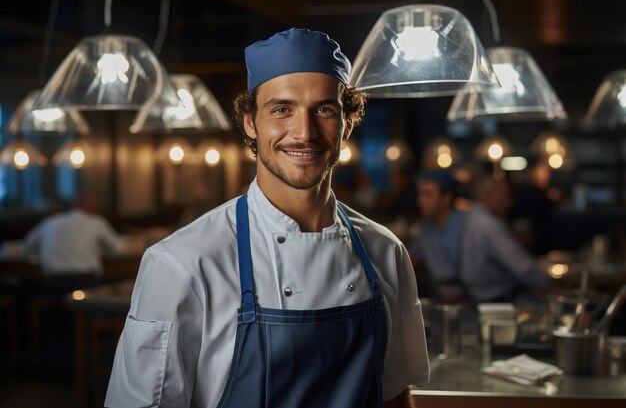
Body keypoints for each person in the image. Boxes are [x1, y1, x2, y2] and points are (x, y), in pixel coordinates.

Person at [106, 28, 429, 408]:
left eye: (324, 109)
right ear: (250, 122)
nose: (304, 132)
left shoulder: (386, 252)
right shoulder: (181, 263)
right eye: (281, 110)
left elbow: (394, 397)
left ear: (348, 123)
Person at [411, 169, 549, 304]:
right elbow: (412, 259)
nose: (420, 201)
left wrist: (549, 286)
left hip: (498, 303)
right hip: (454, 307)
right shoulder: (426, 230)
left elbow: (524, 267)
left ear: (446, 198)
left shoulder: (481, 223)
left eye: (428, 195)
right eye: (419, 194)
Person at [23, 192, 124, 281]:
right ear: (92, 206)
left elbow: (27, 248)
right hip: (85, 282)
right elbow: (117, 250)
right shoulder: (96, 221)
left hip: (53, 282)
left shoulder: (50, 222)